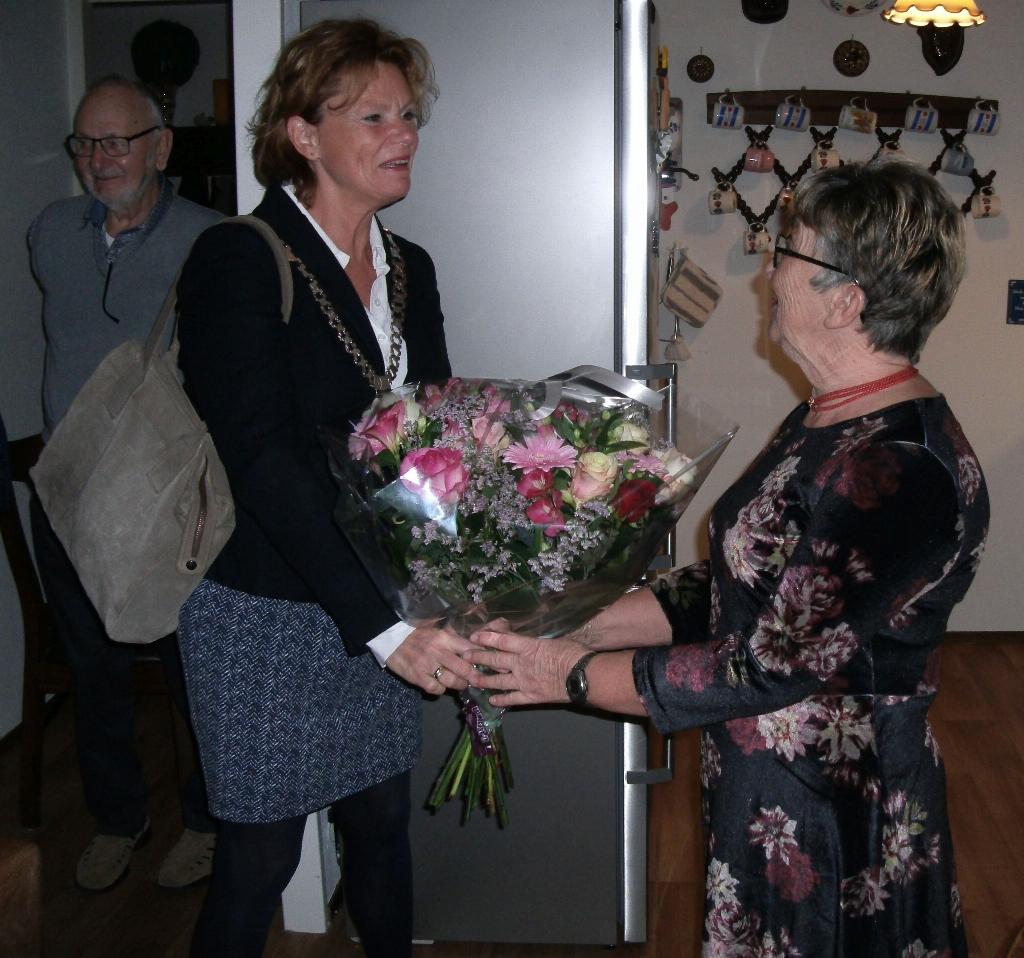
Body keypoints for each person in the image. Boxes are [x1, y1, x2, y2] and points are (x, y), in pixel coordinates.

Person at [469, 160, 989, 957]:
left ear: (845, 301)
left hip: (836, 822)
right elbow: (744, 582)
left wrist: (568, 674)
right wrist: (577, 617)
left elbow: (771, 664)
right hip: (772, 791)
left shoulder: (898, 465)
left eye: (789, 253)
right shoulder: (830, 419)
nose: (768, 274)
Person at [174, 19, 477, 958]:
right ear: (303, 135)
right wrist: (386, 629)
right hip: (267, 607)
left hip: (382, 601)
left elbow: (432, 439)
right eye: (374, 116)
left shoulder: (411, 267)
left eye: (409, 114)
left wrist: (456, 580)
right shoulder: (239, 256)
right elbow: (262, 462)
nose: (404, 134)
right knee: (257, 859)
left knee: (381, 824)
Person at [27, 75, 220, 893]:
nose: (99, 159)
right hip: (67, 493)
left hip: (162, 502)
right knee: (94, 671)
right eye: (86, 143)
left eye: (118, 141)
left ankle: (208, 821)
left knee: (191, 669)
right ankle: (118, 820)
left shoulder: (211, 241)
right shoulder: (49, 234)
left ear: (160, 147)